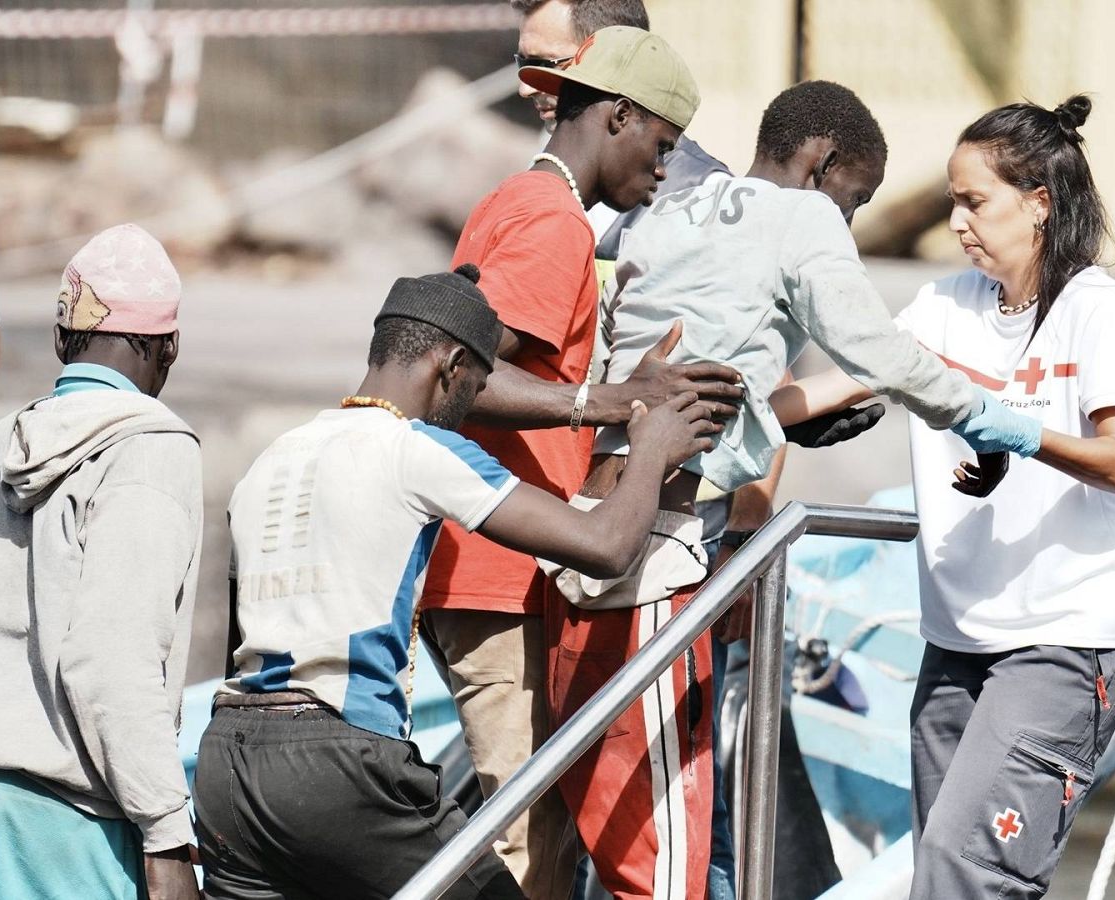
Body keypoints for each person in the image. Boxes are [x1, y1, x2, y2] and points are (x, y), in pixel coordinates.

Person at [539, 78, 1043, 900]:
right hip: (658, 551)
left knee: (613, 830)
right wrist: (989, 419)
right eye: (853, 200)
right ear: (822, 161)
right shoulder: (801, 217)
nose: (845, 223)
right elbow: (873, 345)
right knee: (666, 859)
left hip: (586, 526)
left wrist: (781, 422)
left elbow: (682, 356)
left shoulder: (671, 205)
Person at [193, 264, 720, 900]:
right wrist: (651, 451)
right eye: (472, 391)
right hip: (337, 763)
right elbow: (603, 548)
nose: (470, 410)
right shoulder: (412, 448)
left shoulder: (271, 459)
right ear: (450, 367)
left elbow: (234, 643)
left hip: (227, 762)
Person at [808, 95, 1115, 898]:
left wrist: (1021, 433)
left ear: (1040, 203)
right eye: (953, 200)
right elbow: (852, 378)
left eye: (975, 202)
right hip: (958, 639)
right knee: (944, 865)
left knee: (964, 875)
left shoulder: (1097, 310)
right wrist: (720, 416)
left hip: (1066, 643)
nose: (957, 221)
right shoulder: (947, 305)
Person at [414, 25, 716, 900]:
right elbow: (455, 370)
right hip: (500, 571)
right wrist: (604, 402)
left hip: (488, 562)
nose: (662, 172)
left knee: (543, 829)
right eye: (661, 148)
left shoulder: (513, 199)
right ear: (617, 117)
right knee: (529, 841)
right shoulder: (553, 224)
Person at [0, 224, 201, 900]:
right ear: (167, 348)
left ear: (59, 340)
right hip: (60, 828)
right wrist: (168, 832)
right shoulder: (149, 454)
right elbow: (111, 660)